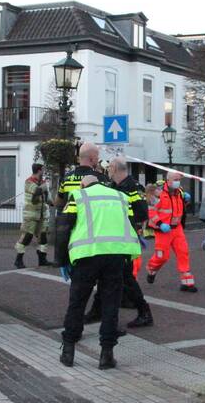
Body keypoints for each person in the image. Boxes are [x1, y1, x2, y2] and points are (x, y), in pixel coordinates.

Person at [59, 175, 141, 370]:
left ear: (83, 184)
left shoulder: (78, 196)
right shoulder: (120, 197)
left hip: (86, 256)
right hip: (115, 256)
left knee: (77, 303)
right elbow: (131, 222)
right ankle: (106, 355)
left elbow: (64, 227)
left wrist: (63, 260)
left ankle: (68, 351)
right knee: (111, 305)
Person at [84, 157, 154, 328]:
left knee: (127, 278)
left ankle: (144, 312)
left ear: (115, 168)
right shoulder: (112, 186)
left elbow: (142, 213)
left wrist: (124, 220)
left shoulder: (133, 187)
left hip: (124, 240)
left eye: (109, 167)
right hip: (112, 240)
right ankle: (97, 311)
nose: (107, 170)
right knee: (106, 276)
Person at [53, 142, 108, 269]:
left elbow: (58, 202)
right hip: (94, 231)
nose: (98, 159)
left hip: (71, 230)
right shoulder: (101, 179)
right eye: (97, 156)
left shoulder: (66, 179)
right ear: (92, 159)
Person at [146, 170, 196, 292]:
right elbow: (151, 210)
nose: (178, 182)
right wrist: (160, 224)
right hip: (163, 230)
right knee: (162, 256)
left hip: (177, 228)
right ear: (168, 180)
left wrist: (186, 200)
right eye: (175, 180)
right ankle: (152, 269)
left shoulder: (179, 192)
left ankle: (187, 283)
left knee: (183, 253)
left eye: (179, 180)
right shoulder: (158, 193)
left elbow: (178, 208)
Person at [14, 163, 52, 268]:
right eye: (43, 169)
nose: (44, 171)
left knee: (43, 237)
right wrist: (44, 187)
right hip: (31, 215)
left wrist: (53, 203)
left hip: (42, 215)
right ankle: (18, 260)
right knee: (27, 236)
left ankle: (42, 259)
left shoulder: (43, 183)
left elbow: (47, 198)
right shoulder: (29, 181)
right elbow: (37, 191)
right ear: (39, 170)